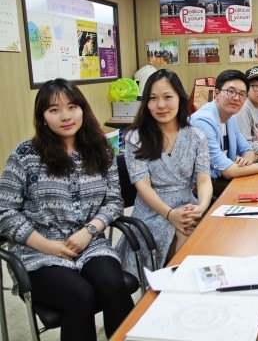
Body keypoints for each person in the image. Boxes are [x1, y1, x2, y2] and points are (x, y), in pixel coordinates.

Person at [0, 78, 133, 340]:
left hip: (90, 244)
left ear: (82, 108)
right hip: (37, 252)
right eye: (54, 110)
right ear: (42, 117)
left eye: (72, 107)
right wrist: (48, 246)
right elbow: (5, 213)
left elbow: (114, 201)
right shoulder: (25, 155)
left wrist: (89, 231)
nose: (65, 116)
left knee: (113, 286)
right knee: (79, 296)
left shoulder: (100, 150)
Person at [115, 69, 212, 272]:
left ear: (180, 98)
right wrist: (170, 215)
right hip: (152, 213)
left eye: (168, 97)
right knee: (185, 231)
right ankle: (177, 291)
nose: (161, 105)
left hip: (188, 207)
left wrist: (201, 207)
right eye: (153, 98)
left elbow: (203, 181)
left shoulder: (196, 136)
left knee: (215, 229)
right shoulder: (136, 138)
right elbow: (143, 187)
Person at [189, 69, 258, 195]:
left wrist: (247, 160)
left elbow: (247, 149)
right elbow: (228, 171)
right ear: (216, 93)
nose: (237, 98)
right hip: (200, 190)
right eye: (231, 92)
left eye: (242, 94)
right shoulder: (203, 121)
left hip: (221, 180)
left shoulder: (230, 116)